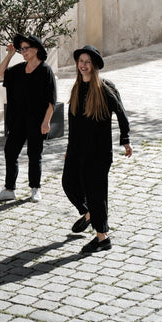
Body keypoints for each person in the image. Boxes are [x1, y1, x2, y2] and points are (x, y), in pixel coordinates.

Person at [62, 44, 132, 253]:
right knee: (69, 183)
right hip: (77, 149)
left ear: (94, 66)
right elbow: (73, 123)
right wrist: (69, 147)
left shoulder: (104, 88)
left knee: (95, 193)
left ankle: (102, 238)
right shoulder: (76, 88)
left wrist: (125, 140)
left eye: (87, 62)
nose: (83, 65)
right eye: (81, 62)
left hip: (98, 153)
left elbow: (121, 113)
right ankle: (89, 213)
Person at [0, 33, 56, 203]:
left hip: (36, 120)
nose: (24, 51)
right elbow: (0, 72)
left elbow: (51, 100)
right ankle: (9, 189)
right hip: (17, 120)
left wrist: (46, 121)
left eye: (26, 48)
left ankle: (35, 188)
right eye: (22, 49)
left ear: (36, 49)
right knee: (10, 152)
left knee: (35, 154)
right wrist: (10, 55)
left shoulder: (45, 70)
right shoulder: (18, 70)